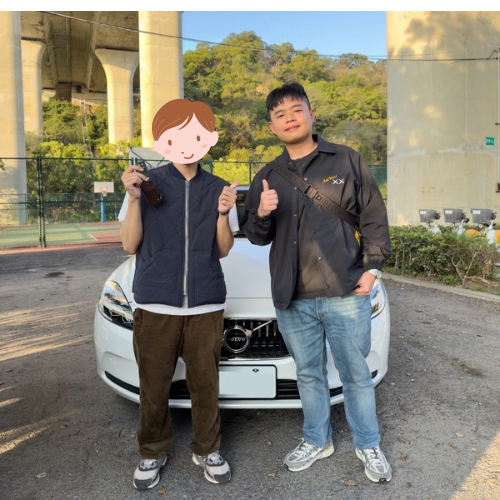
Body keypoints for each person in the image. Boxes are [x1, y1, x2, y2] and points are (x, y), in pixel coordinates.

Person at [241, 83, 392, 483]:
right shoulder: (267, 176)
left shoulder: (346, 160)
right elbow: (255, 236)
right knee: (308, 374)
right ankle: (316, 439)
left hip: (345, 290)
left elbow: (373, 216)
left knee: (355, 373)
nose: (289, 118)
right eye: (279, 114)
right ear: (271, 127)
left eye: (296, 109)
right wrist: (261, 212)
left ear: (311, 114)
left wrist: (372, 269)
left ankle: (368, 443)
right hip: (293, 296)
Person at [119, 99, 239, 490]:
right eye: (177, 135)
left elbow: (223, 249)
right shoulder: (144, 184)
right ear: (163, 140)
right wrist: (133, 198)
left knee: (206, 386)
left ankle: (208, 448)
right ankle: (152, 451)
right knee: (154, 387)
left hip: (206, 304)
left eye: (196, 135)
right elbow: (129, 244)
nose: (187, 144)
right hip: (154, 304)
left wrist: (223, 214)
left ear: (210, 139)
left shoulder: (220, 188)